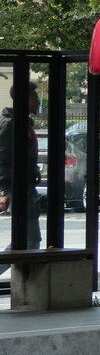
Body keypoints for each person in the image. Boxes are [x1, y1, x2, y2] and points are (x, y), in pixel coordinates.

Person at [0, 82, 42, 263]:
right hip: (18, 189)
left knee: (30, 241)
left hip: (25, 187)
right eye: (34, 97)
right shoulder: (10, 124)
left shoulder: (23, 123)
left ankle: (27, 278)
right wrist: (6, 190)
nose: (38, 101)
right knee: (27, 242)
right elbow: (3, 158)